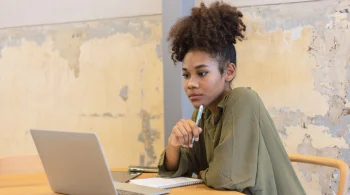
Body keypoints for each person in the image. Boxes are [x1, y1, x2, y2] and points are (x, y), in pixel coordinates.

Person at [157, 1, 306, 195]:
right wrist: (174, 145)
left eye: (201, 74)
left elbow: (225, 178)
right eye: (186, 75)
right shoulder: (202, 115)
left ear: (228, 72)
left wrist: (202, 173)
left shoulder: (242, 100)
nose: (190, 84)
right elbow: (185, 167)